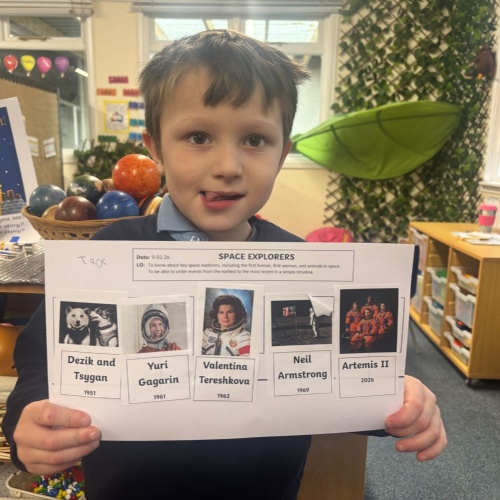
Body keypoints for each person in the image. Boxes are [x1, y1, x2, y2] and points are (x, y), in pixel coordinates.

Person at [3, 29, 447, 499]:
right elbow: (41, 360)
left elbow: (336, 379)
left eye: (255, 139)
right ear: (155, 148)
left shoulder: (303, 268)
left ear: (283, 154)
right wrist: (27, 420)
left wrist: (401, 400)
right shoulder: (108, 252)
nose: (228, 166)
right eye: (198, 137)